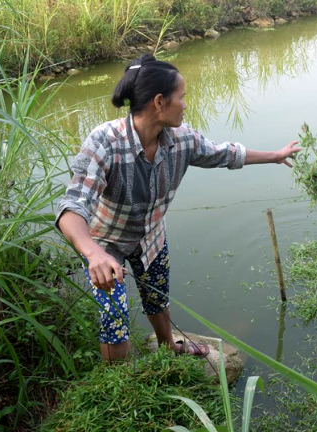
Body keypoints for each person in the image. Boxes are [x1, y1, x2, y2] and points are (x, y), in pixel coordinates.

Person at [56, 54, 301, 362]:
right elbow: (71, 206)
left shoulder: (181, 140)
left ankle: (168, 344)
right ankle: (118, 383)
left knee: (157, 297)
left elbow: (223, 153)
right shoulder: (105, 141)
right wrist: (93, 253)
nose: (185, 104)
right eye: (181, 97)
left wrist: (275, 155)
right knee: (114, 318)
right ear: (159, 102)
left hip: (151, 238)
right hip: (105, 245)